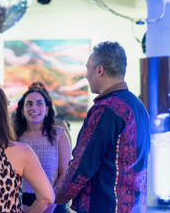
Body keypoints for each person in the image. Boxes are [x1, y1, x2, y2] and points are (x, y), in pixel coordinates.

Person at [54, 41, 150, 212]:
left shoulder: (106, 109)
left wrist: (58, 195)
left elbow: (83, 164)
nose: (86, 75)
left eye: (87, 69)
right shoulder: (138, 106)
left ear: (99, 70)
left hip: (105, 206)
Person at [13, 89, 71, 212]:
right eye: (29, 104)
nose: (34, 108)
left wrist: (51, 204)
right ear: (22, 110)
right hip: (19, 202)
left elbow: (65, 173)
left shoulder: (59, 135)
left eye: (39, 103)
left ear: (47, 110)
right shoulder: (13, 137)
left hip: (54, 202)